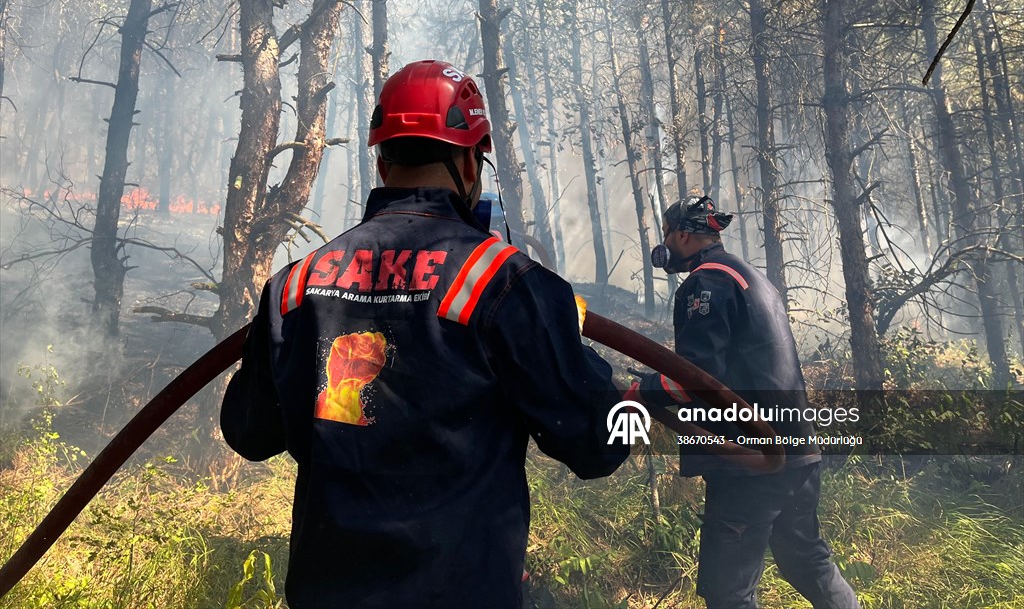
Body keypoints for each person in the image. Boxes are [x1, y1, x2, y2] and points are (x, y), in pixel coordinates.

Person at [220, 60, 628, 609]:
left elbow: (249, 434)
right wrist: (582, 356)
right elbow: (597, 445)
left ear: (382, 161)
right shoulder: (506, 285)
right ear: (469, 160)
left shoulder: (294, 287)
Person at [638, 195, 859, 609]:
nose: (665, 241)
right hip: (799, 451)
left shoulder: (705, 285)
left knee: (729, 590)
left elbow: (697, 379)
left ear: (681, 234)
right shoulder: (749, 277)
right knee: (807, 560)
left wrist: (643, 390)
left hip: (752, 461)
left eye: (667, 233)